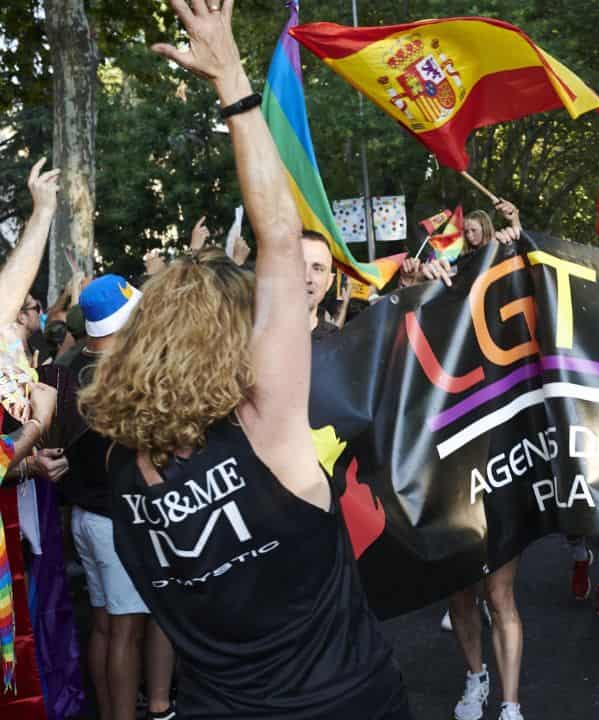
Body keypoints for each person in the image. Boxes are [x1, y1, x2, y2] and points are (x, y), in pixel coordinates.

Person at [78, 3, 410, 718]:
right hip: (347, 703)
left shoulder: (119, 468)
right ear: (231, 342)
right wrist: (231, 75)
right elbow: (281, 239)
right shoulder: (267, 429)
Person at [60, 275, 177, 720]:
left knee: (107, 628)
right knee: (126, 631)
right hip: (116, 521)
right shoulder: (116, 376)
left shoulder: (70, 366)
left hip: (89, 518)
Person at [301, 230, 339, 338]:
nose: (306, 278)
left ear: (329, 282)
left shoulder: (340, 345)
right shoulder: (255, 338)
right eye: (298, 265)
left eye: (318, 269)